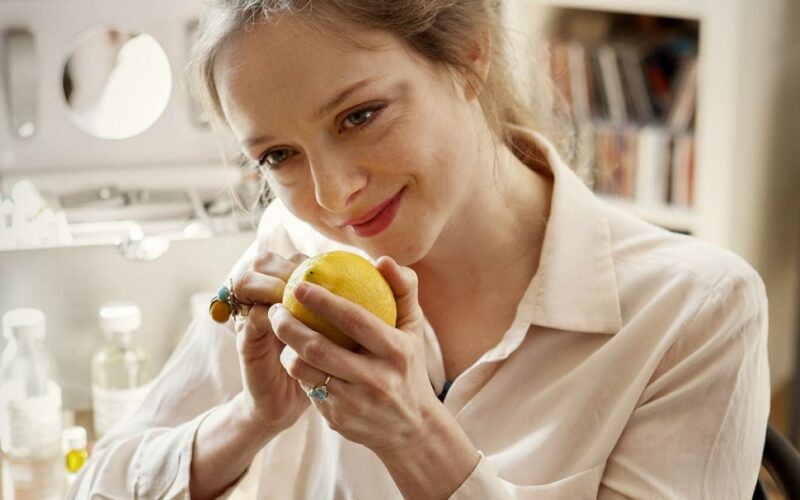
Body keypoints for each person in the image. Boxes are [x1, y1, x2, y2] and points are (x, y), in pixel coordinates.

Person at [69, 1, 770, 498]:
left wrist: (417, 441)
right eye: (280, 155)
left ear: (470, 56)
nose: (335, 196)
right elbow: (95, 488)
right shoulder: (294, 250)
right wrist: (253, 421)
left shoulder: (696, 311)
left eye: (360, 116)